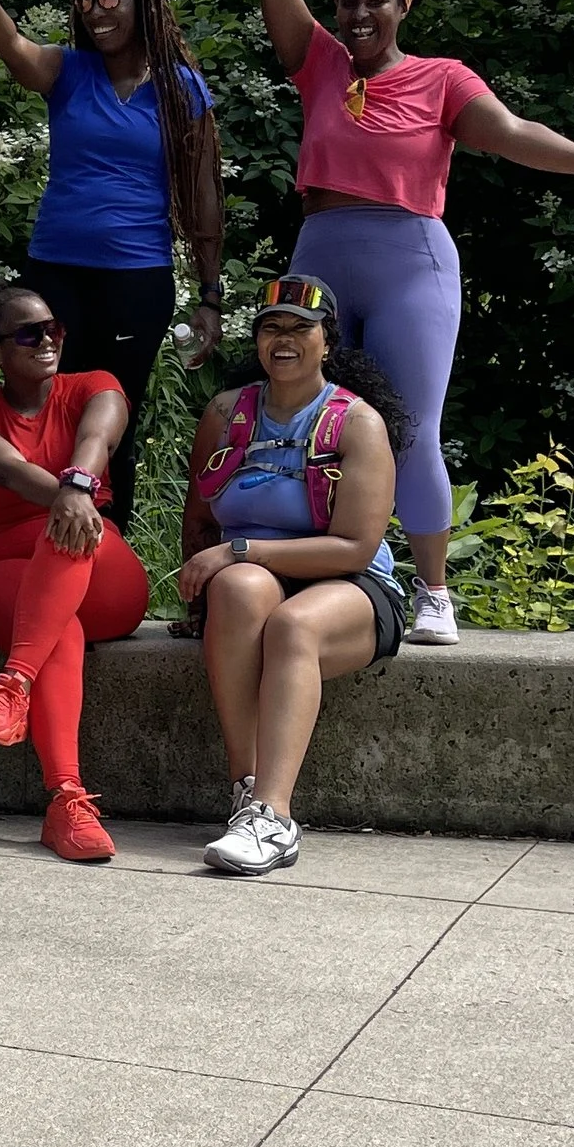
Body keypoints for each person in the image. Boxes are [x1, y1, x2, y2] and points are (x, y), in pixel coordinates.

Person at [228, 0, 574, 644]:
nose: (359, 14)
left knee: (411, 426)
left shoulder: (441, 78)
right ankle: (329, 567)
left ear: (402, 6)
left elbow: (512, 133)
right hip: (320, 258)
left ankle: (432, 589)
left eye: (376, 1)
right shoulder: (320, 63)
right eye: (348, 2)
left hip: (409, 260)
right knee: (311, 418)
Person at [0, 0, 225, 528]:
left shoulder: (182, 89)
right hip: (56, 275)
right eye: (85, 0)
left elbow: (205, 197)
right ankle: (38, 541)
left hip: (137, 278)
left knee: (113, 414)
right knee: (45, 407)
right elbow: (12, 47)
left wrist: (210, 295)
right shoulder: (68, 70)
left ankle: (109, 553)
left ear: (143, 2)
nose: (95, 10)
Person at [178, 273, 411, 876]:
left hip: (351, 586)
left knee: (293, 627)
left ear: (326, 341)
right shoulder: (227, 412)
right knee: (234, 588)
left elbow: (355, 549)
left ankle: (275, 819)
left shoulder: (356, 423)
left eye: (299, 328)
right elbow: (200, 519)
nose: (283, 339)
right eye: (271, 327)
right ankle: (246, 790)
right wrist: (206, 585)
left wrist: (239, 550)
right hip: (255, 577)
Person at [0, 284, 149, 865]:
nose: (47, 340)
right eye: (28, 333)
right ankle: (67, 803)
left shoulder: (95, 386)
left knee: (70, 535)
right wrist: (68, 496)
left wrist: (77, 488)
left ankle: (12, 686)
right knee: (62, 631)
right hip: (11, 573)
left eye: (53, 328)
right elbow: (8, 471)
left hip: (101, 566)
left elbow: (97, 438)